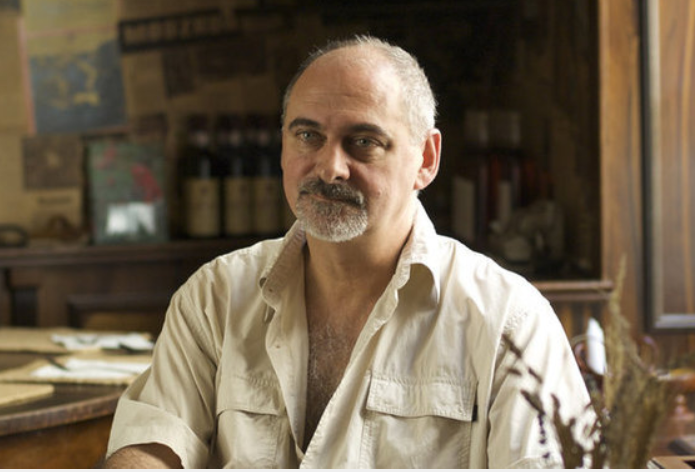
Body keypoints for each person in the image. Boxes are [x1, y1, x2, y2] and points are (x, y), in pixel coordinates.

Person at [104, 35, 591, 468]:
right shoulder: (214, 296)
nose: (330, 167)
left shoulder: (510, 322)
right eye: (308, 136)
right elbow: (153, 443)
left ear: (425, 159)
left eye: (363, 141)